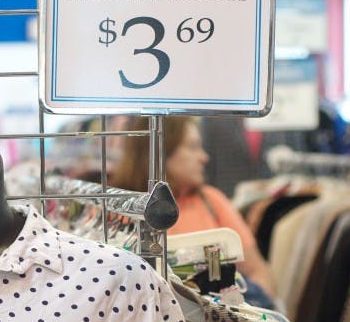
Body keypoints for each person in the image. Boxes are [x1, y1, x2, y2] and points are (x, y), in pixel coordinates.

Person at [112, 115, 278, 300]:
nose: (204, 157)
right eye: (193, 147)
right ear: (159, 152)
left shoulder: (212, 200)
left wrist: (251, 317)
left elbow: (258, 271)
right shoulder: (115, 211)